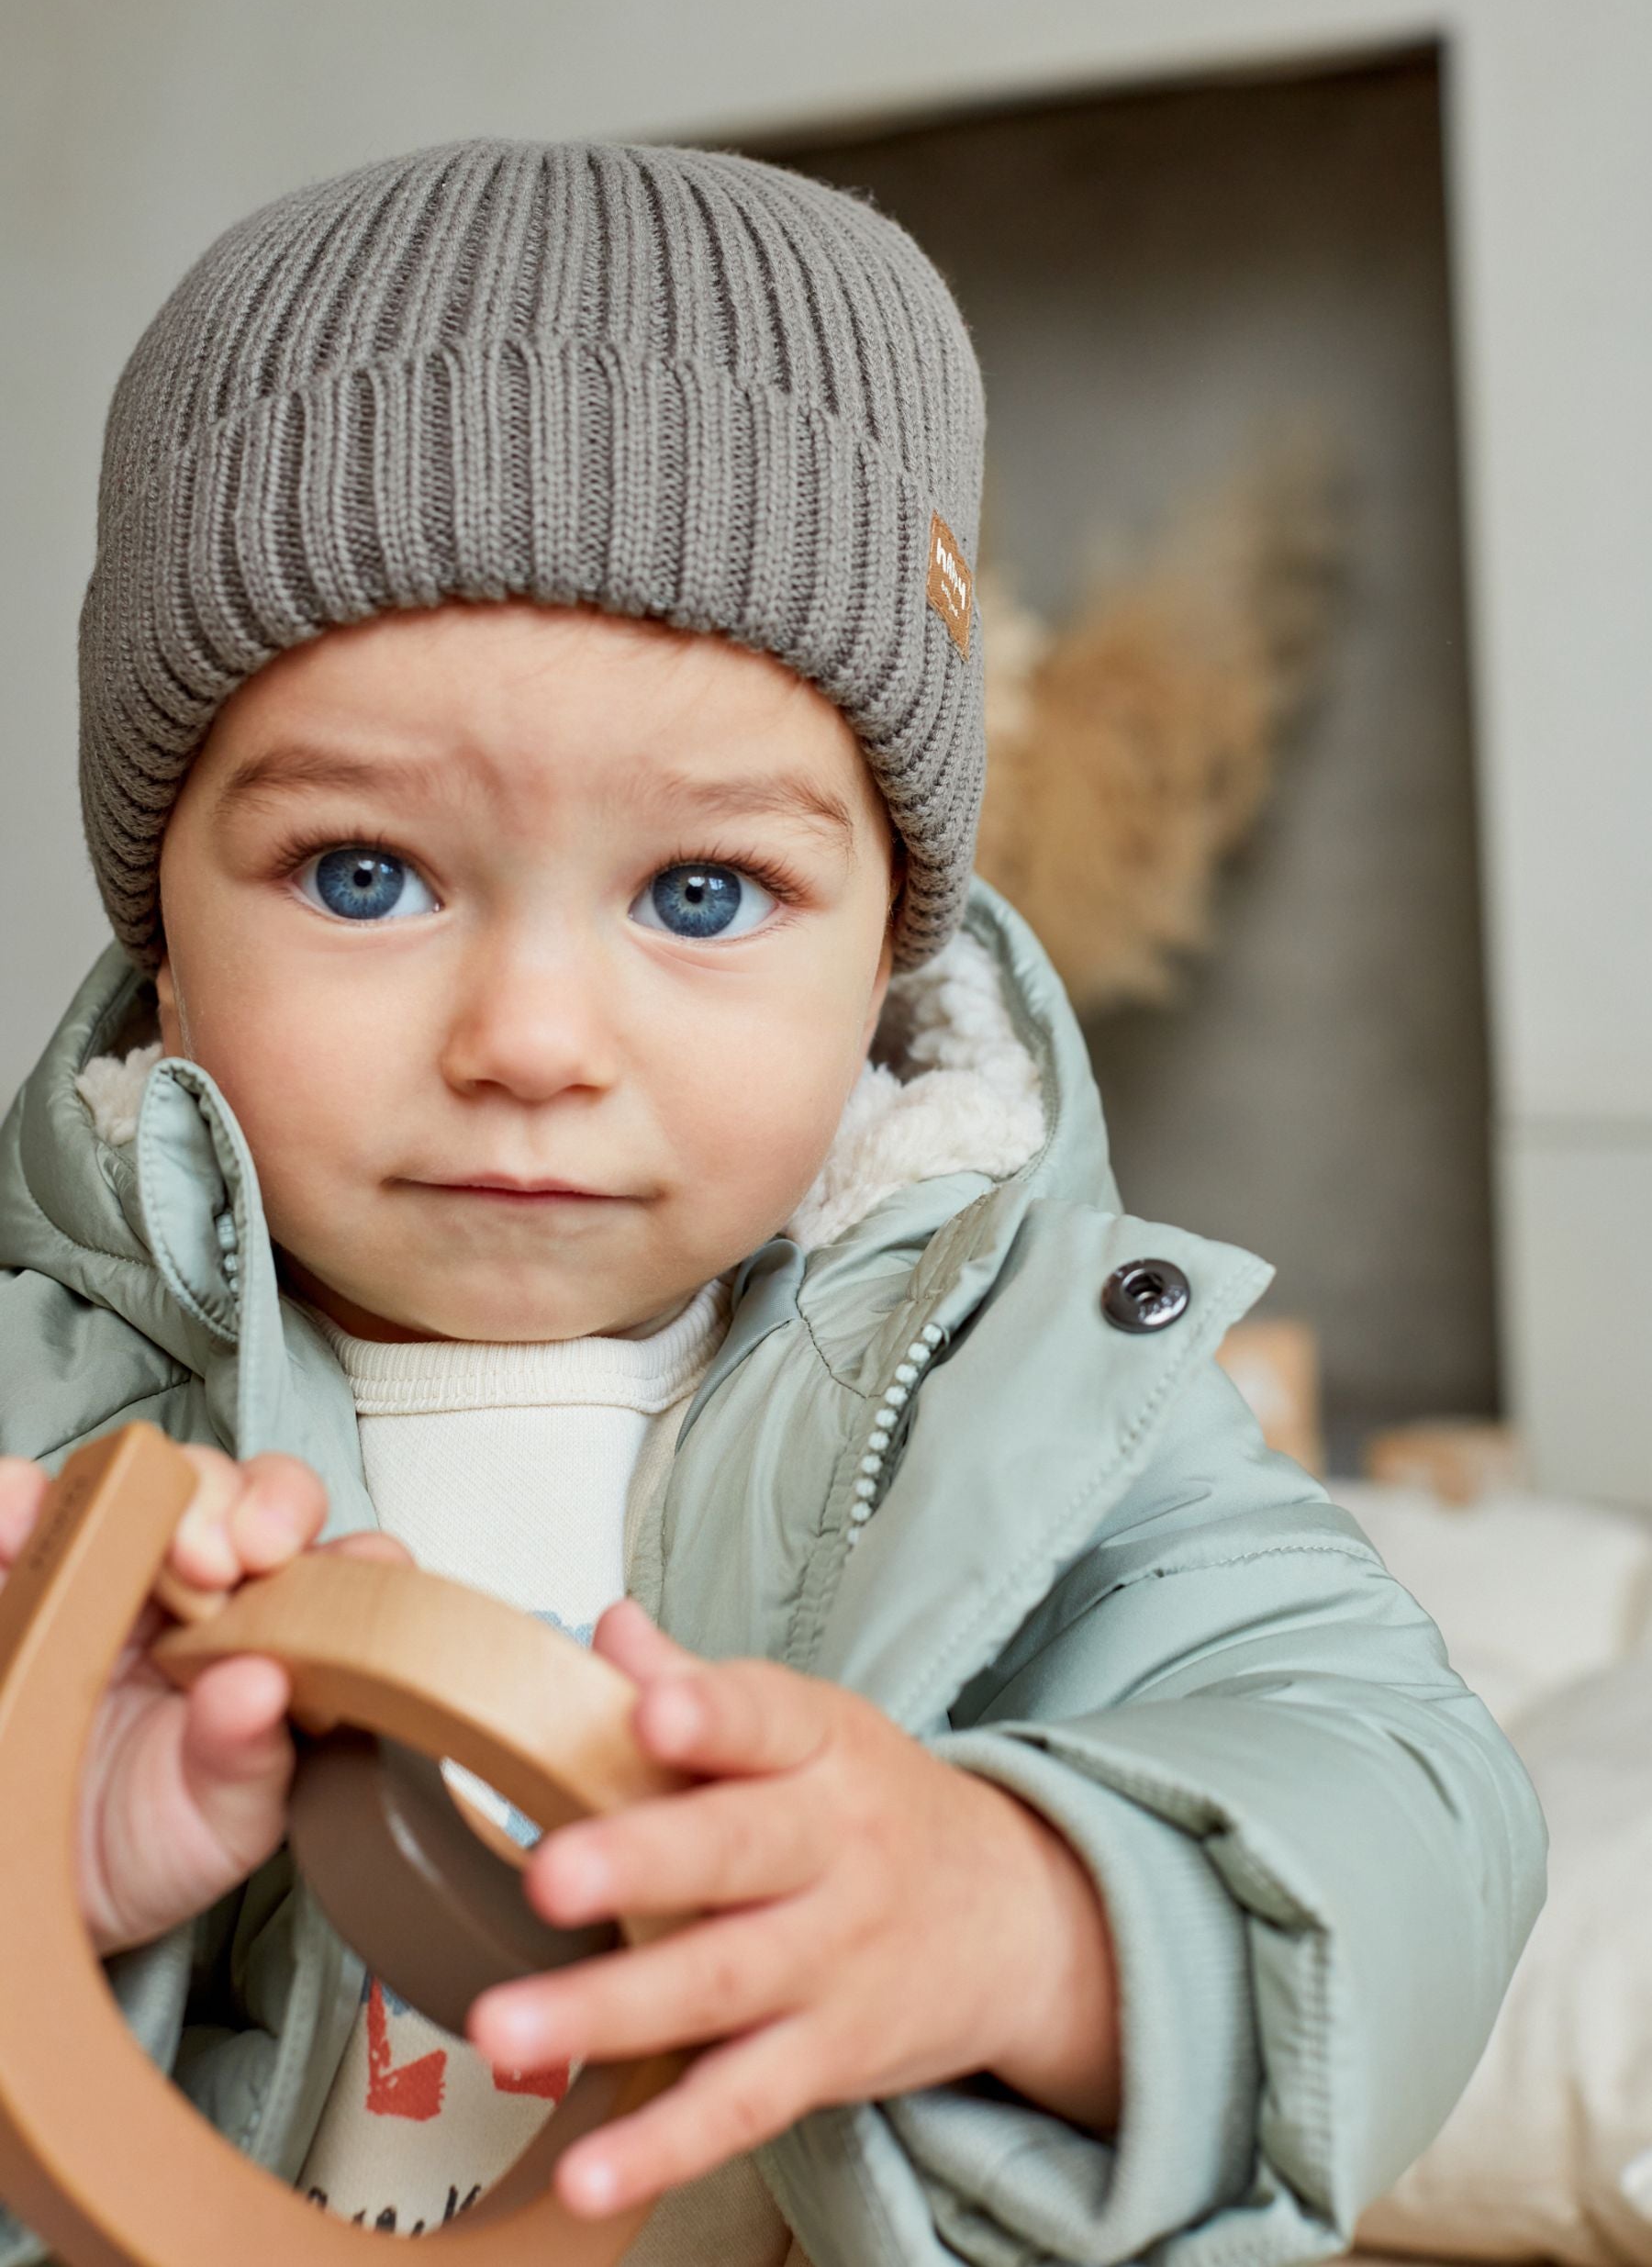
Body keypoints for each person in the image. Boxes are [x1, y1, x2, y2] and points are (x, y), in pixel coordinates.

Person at [0, 139, 1544, 2267]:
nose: (533, 1034)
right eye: (366, 874)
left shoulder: (1030, 1398)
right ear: (163, 931)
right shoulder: (33, 1442)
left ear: (891, 945)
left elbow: (1410, 1810)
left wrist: (1024, 1913)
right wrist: (33, 1879)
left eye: (702, 893)